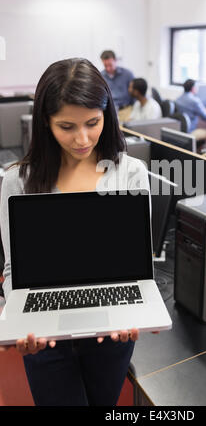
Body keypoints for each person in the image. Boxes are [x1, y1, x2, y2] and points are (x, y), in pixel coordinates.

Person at [0, 58, 151, 406]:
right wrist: (19, 317)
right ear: (45, 123)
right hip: (45, 329)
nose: (82, 139)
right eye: (66, 126)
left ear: (106, 115)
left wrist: (134, 312)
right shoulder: (17, 181)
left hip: (111, 328)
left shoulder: (130, 173)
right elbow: (12, 270)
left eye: (92, 123)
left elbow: (137, 266)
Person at [175, 79, 206, 148]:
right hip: (190, 132)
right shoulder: (195, 101)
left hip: (181, 131)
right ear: (193, 88)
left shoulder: (178, 99)